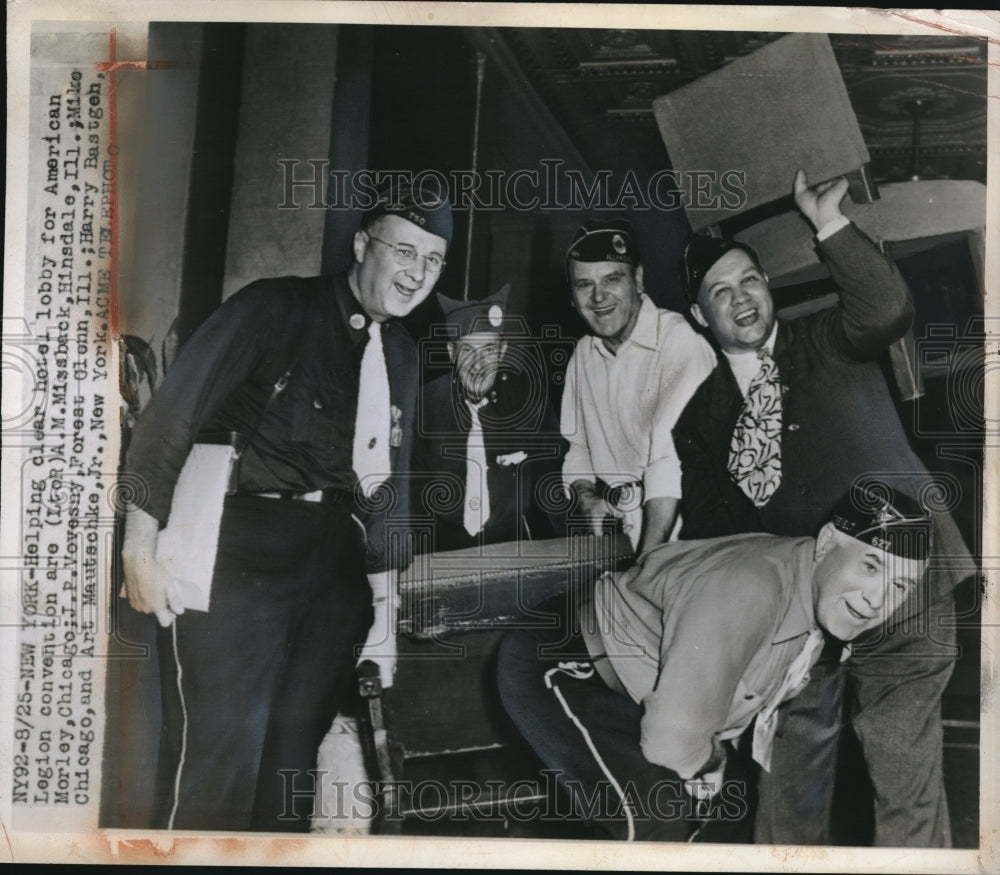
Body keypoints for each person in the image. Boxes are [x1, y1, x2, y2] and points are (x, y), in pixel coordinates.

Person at [120, 179, 452, 832]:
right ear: (362, 244)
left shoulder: (406, 356)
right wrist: (138, 545)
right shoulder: (276, 308)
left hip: (335, 571)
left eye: (432, 259)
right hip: (241, 553)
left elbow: (390, 495)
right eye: (404, 250)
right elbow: (169, 418)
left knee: (289, 783)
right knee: (217, 769)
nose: (417, 273)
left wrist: (383, 622)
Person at [672, 169, 972, 846]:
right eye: (719, 291)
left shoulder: (826, 338)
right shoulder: (698, 420)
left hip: (904, 591)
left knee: (903, 773)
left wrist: (828, 223)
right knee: (786, 784)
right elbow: (717, 538)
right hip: (798, 620)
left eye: (749, 279)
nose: (740, 297)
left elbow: (887, 306)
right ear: (699, 316)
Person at [498, 489, 932, 842]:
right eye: (871, 566)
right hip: (565, 659)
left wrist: (710, 764)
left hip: (640, 688)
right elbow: (672, 738)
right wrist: (706, 762)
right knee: (654, 819)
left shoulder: (816, 591)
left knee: (731, 812)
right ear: (826, 545)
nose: (878, 600)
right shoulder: (755, 586)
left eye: (899, 586)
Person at [560, 219, 715, 554]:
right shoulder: (583, 355)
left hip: (691, 530)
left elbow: (668, 458)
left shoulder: (677, 341)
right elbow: (577, 447)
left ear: (638, 279)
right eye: (584, 285)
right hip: (622, 531)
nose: (598, 296)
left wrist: (648, 560)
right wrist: (585, 494)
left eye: (611, 279)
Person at [415, 284, 565, 552]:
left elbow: (554, 479)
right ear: (451, 353)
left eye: (488, 350)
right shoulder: (423, 404)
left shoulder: (529, 402)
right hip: (439, 546)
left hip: (510, 544)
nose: (478, 365)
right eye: (467, 351)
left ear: (503, 351)